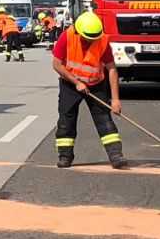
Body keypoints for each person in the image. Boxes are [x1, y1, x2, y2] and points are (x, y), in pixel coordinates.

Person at [51, 11, 124, 168]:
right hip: (70, 84)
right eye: (87, 38)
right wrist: (76, 82)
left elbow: (112, 69)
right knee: (66, 121)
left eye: (94, 38)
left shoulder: (102, 40)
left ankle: (116, 155)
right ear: (78, 31)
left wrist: (116, 99)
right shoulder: (67, 36)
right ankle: (65, 156)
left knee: (104, 120)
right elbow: (57, 64)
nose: (91, 41)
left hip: (96, 83)